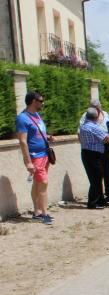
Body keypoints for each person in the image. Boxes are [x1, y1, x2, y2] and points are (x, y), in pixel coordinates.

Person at [16, 91, 53, 224]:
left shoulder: (36, 115)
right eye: (41, 101)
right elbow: (23, 141)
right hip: (35, 156)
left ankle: (37, 212)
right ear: (33, 101)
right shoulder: (22, 118)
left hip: (44, 154)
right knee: (43, 183)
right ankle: (44, 214)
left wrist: (47, 137)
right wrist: (28, 162)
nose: (43, 103)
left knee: (38, 183)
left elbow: (37, 132)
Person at [80, 99, 109, 205]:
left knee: (94, 177)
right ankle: (93, 202)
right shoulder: (94, 127)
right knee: (97, 177)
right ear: (95, 116)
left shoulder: (83, 126)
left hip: (86, 152)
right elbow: (106, 138)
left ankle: (100, 199)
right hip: (95, 154)